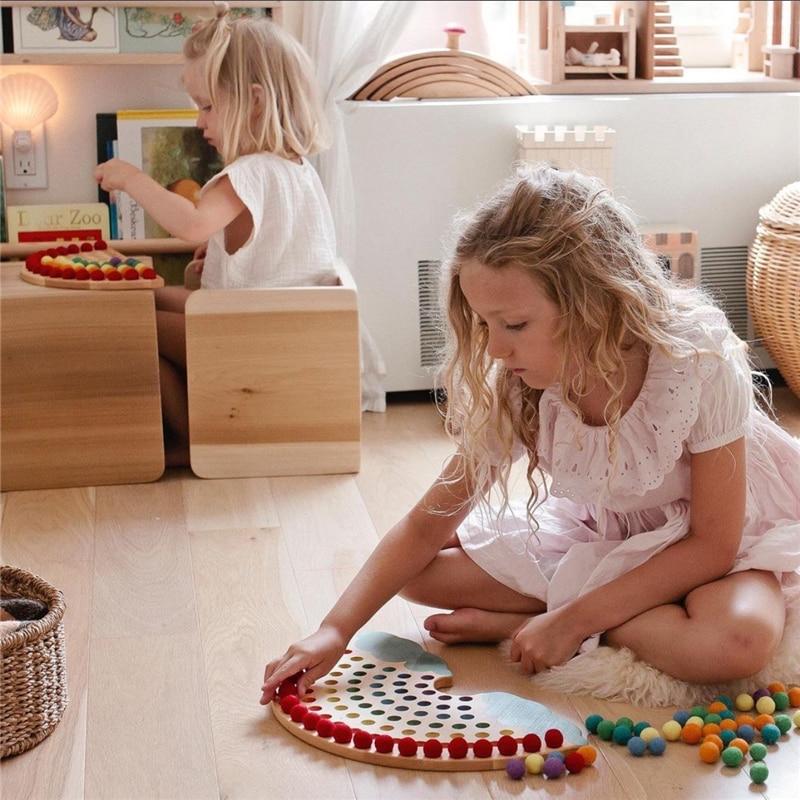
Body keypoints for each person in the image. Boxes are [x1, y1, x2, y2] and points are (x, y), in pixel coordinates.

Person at [261, 165, 800, 702]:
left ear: (593, 305)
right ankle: (602, 613)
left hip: (719, 541)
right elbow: (427, 524)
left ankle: (554, 620)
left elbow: (713, 545)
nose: (495, 349)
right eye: (485, 324)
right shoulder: (523, 384)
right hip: (615, 532)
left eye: (514, 325)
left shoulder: (697, 358)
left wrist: (573, 621)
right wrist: (334, 630)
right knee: (418, 575)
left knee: (738, 642)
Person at [95, 5, 336, 466]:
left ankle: (194, 438)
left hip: (245, 340)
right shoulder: (297, 170)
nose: (198, 122)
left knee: (132, 324)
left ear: (256, 101)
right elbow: (273, 256)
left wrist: (133, 179)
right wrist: (216, 261)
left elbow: (189, 224)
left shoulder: (247, 174)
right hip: (275, 332)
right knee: (146, 296)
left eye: (207, 106)